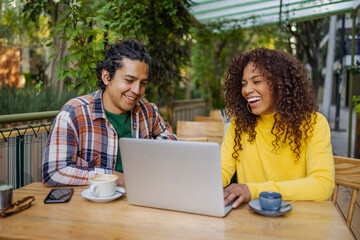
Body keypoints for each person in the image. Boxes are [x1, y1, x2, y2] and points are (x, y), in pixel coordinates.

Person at [42, 39, 177, 187]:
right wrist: (114, 178)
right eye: (129, 80)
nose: (137, 91)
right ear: (106, 77)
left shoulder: (147, 110)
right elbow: (53, 173)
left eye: (143, 83)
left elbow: (168, 136)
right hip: (91, 207)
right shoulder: (73, 114)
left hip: (141, 200)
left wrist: (154, 153)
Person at [221, 47, 335, 208]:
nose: (247, 90)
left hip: (300, 219)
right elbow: (222, 170)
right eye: (244, 84)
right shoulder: (239, 125)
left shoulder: (314, 123)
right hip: (249, 220)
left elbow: (323, 185)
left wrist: (252, 190)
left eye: (257, 81)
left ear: (280, 84)